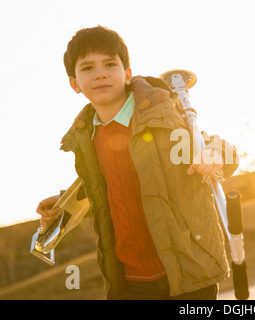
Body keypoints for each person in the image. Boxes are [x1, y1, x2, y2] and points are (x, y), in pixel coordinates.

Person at [36, 25, 239, 300]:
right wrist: (63, 205)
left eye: (110, 64)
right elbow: (109, 191)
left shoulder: (161, 116)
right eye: (87, 68)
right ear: (74, 83)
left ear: (127, 74)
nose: (100, 73)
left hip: (188, 273)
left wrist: (215, 155)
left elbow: (219, 147)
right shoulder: (86, 137)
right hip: (129, 282)